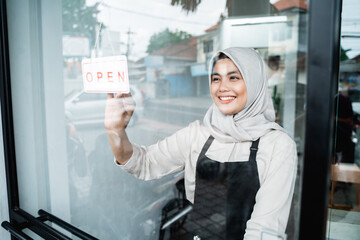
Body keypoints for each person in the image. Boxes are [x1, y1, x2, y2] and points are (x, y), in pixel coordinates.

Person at [105, 47, 298, 240]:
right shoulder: (198, 134)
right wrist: (116, 131)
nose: (222, 87)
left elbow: (265, 232)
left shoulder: (277, 145)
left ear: (254, 81)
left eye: (233, 78)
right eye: (216, 78)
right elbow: (144, 163)